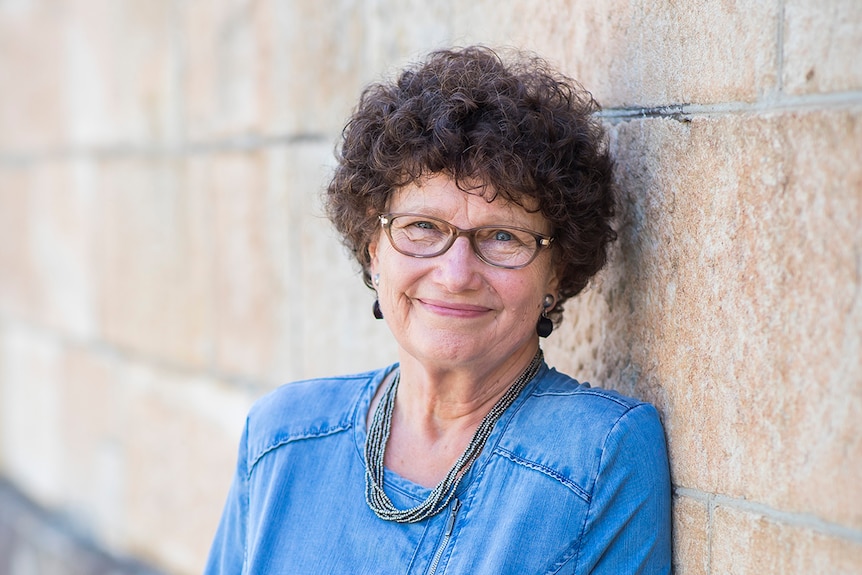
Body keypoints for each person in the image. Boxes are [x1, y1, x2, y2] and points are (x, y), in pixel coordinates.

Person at [204, 46, 671, 574]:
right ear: (373, 248)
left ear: (557, 270)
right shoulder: (282, 437)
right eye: (423, 228)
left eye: (502, 236)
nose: (455, 275)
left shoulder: (599, 454)